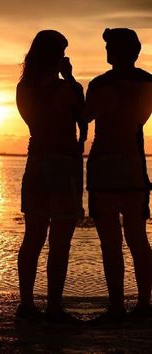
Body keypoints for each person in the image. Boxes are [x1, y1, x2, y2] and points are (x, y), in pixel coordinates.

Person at [16, 30, 87, 322]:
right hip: (62, 165)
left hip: (36, 164)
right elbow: (83, 117)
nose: (64, 57)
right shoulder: (65, 88)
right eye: (62, 52)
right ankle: (54, 307)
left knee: (32, 237)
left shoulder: (24, 88)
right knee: (59, 242)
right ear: (55, 56)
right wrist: (70, 78)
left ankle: (27, 304)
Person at [85, 28, 152, 323]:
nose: (106, 51)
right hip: (132, 167)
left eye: (109, 46)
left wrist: (70, 82)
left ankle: (117, 307)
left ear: (116, 51)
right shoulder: (148, 82)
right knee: (137, 239)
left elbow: (83, 116)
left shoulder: (99, 84)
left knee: (111, 242)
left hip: (105, 167)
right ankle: (143, 305)